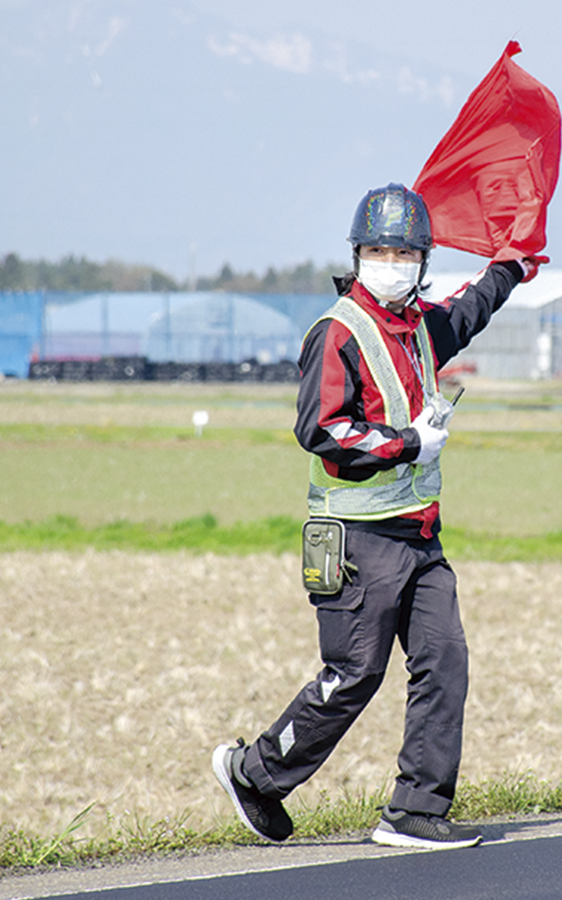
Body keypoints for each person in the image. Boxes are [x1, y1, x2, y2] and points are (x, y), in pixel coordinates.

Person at [213, 182, 541, 850]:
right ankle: (254, 772)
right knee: (353, 674)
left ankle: (416, 810)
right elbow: (323, 430)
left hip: (420, 535)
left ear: (422, 260)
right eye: (378, 248)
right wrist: (408, 442)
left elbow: (470, 308)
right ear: (358, 255)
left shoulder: (419, 328)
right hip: (357, 538)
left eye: (403, 250)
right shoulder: (338, 332)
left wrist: (512, 264)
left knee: (445, 663)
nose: (391, 259)